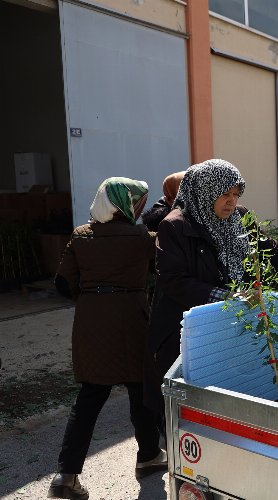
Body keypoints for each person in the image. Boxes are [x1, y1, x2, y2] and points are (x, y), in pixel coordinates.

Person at [144, 159, 278, 428]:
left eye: (235, 194)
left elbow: (272, 249)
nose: (231, 201)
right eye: (225, 194)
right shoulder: (174, 226)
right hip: (186, 328)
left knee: (225, 389)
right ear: (205, 191)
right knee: (186, 406)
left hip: (229, 318)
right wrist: (224, 297)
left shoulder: (239, 217)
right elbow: (173, 281)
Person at [49, 177, 166, 499]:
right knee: (140, 392)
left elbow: (61, 283)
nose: (141, 207)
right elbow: (165, 271)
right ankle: (148, 456)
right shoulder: (143, 238)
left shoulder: (81, 236)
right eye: (138, 202)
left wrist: (92, 296)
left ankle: (66, 477)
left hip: (90, 319)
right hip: (131, 319)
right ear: (126, 204)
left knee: (88, 399)